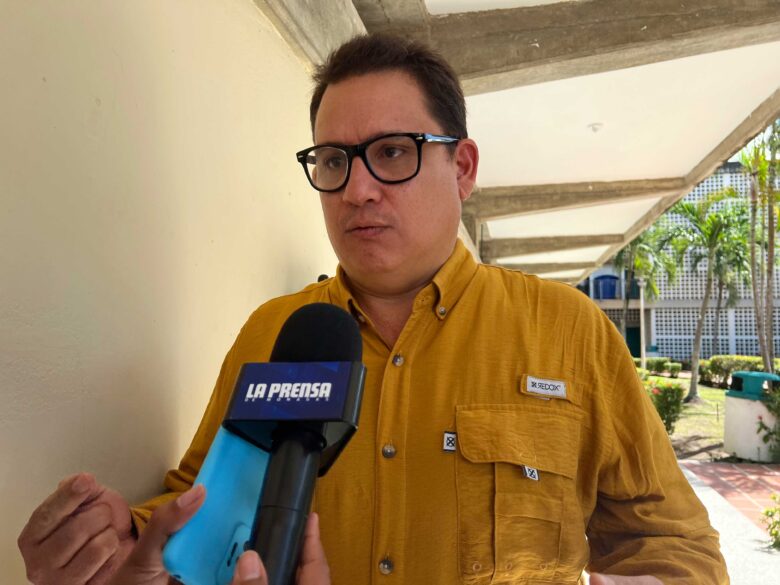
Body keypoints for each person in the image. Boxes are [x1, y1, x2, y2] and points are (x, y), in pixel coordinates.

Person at [19, 33, 729, 584]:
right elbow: (202, 501)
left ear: (463, 168)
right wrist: (119, 539)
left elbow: (673, 543)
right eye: (333, 160)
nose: (357, 189)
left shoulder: (570, 331)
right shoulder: (274, 332)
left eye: (392, 152)